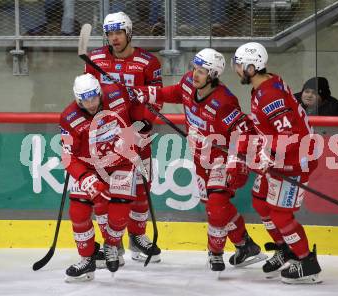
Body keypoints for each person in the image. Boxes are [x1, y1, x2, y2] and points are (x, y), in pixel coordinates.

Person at [135, 48, 267, 272]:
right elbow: (174, 92)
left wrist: (235, 161)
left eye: (202, 71)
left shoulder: (224, 102)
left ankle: (215, 253)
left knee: (216, 206)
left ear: (213, 75)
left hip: (222, 160)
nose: (195, 74)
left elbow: (243, 133)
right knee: (218, 205)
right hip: (200, 159)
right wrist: (145, 93)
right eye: (195, 68)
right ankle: (246, 245)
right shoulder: (188, 83)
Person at [229, 42, 322, 284]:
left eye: (239, 65)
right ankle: (284, 248)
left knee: (280, 214)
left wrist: (264, 157)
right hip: (284, 157)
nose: (236, 69)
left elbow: (289, 136)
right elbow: (271, 126)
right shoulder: (266, 84)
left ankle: (305, 262)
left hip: (294, 161)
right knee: (260, 202)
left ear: (251, 67)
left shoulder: (269, 94)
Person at [84, 11, 163, 265]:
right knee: (109, 192)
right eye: (109, 33)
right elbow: (86, 97)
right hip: (107, 139)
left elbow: (156, 97)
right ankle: (112, 243)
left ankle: (137, 237)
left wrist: (143, 122)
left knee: (141, 187)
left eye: (119, 32)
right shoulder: (95, 59)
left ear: (129, 33)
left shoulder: (148, 62)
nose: (114, 38)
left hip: (139, 135)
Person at [60, 73, 145, 282]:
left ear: (99, 93)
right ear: (77, 99)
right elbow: (67, 155)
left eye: (93, 98)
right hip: (90, 168)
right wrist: (85, 178)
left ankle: (111, 244)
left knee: (119, 213)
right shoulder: (68, 117)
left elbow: (139, 105)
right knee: (78, 211)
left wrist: (144, 121)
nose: (90, 104)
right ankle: (87, 258)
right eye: (84, 100)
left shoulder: (117, 93)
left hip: (122, 162)